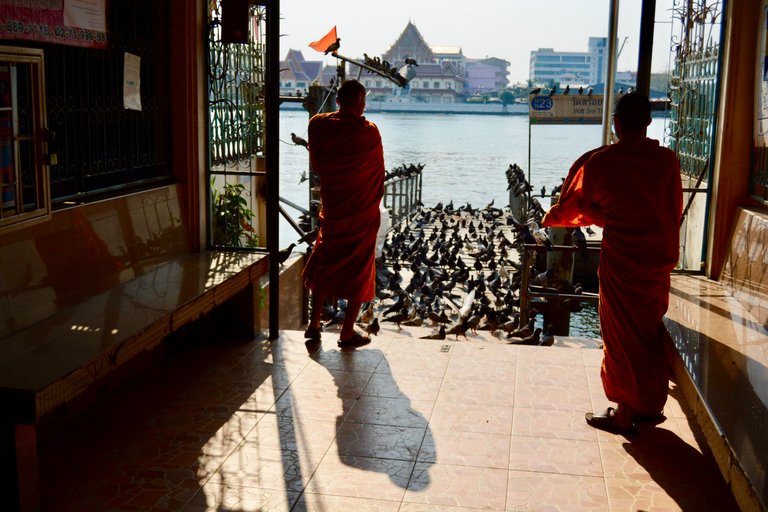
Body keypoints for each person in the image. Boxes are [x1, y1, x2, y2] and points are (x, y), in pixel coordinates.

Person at [542, 92, 683, 434]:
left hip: (622, 259)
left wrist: (555, 217)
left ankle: (624, 412)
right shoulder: (667, 161)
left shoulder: (602, 163)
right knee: (647, 331)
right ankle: (649, 405)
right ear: (649, 122)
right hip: (656, 258)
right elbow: (672, 209)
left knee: (621, 337)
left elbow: (586, 209)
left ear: (616, 123)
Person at [302, 79, 385, 348]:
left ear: (337, 101)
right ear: (361, 102)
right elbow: (378, 175)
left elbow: (316, 164)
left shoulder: (317, 124)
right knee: (359, 269)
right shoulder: (369, 131)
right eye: (362, 101)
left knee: (325, 260)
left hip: (334, 208)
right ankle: (347, 331)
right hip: (360, 213)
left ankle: (314, 325)